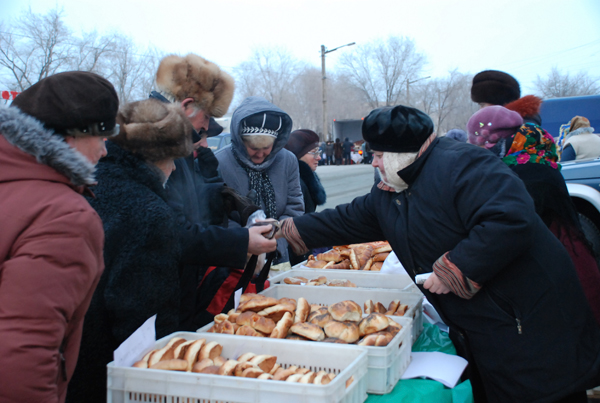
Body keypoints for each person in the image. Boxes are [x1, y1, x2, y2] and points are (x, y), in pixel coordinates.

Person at [276, 104, 600, 403]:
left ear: (401, 153)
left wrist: (455, 269)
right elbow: (347, 218)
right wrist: (286, 230)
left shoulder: (463, 164)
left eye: (377, 154)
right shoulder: (394, 189)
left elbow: (510, 218)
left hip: (529, 325)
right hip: (485, 327)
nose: (371, 162)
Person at [0, 71, 119, 403]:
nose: (105, 152)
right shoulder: (64, 216)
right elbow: (23, 352)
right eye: (102, 137)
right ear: (73, 137)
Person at [67, 99, 194, 403]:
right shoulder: (150, 213)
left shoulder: (83, 187)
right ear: (155, 157)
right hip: (111, 375)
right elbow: (143, 320)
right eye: (172, 158)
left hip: (68, 361)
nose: (175, 167)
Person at [149, 54, 277, 330]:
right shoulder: (155, 150)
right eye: (207, 117)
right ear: (187, 107)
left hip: (182, 283)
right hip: (158, 294)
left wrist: (246, 210)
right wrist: (241, 242)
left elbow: (202, 201)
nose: (207, 128)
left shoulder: (178, 145)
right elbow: (174, 231)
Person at [467, 105, 600, 326]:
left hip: (557, 264)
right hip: (566, 255)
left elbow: (510, 229)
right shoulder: (535, 157)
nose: (482, 153)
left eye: (484, 145)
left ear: (503, 141)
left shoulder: (524, 171)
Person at [215, 96, 303, 266]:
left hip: (279, 256)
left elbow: (295, 207)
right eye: (254, 148)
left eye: (266, 148)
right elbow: (218, 215)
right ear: (240, 141)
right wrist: (245, 242)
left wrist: (275, 241)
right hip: (236, 261)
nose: (260, 154)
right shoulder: (220, 163)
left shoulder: (288, 160)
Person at [284, 129, 327, 265]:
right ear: (297, 155)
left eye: (318, 152)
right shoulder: (296, 183)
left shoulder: (307, 178)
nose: (318, 157)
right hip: (295, 255)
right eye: (313, 152)